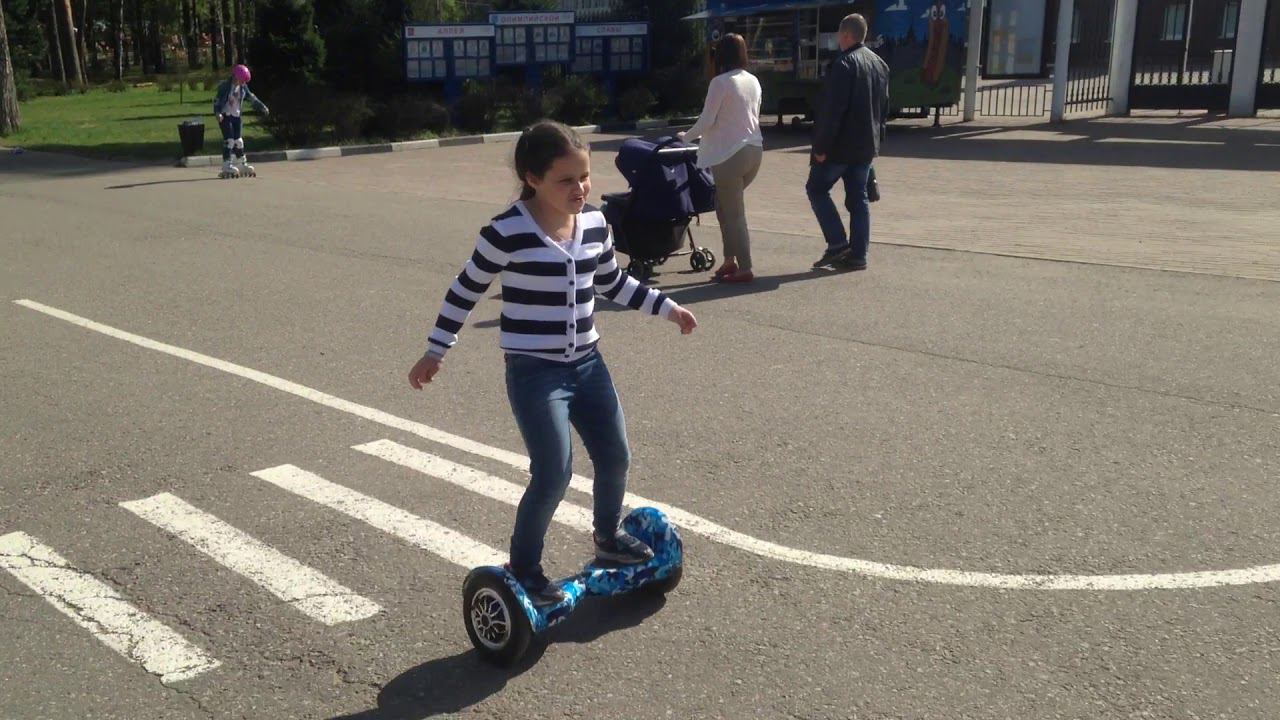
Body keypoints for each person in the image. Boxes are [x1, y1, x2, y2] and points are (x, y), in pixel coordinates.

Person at [407, 121, 699, 605]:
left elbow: (612, 281)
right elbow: (466, 289)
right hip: (535, 372)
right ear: (532, 178)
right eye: (566, 180)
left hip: (588, 363)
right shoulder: (507, 231)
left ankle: (607, 536)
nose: (580, 188)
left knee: (615, 455)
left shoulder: (595, 224)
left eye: (585, 176)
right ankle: (524, 568)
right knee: (553, 472)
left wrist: (667, 309)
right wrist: (437, 348)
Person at [806, 14, 889, 272]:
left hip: (839, 147)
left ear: (845, 35)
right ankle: (858, 254)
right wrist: (877, 142)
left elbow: (833, 111)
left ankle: (837, 243)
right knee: (858, 198)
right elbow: (883, 109)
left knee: (816, 189)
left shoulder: (843, 64)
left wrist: (821, 148)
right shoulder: (880, 65)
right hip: (866, 147)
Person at [678, 33, 764, 284]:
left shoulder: (720, 82)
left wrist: (686, 137)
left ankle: (744, 267)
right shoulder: (753, 81)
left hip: (729, 155)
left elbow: (707, 120)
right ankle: (729, 260)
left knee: (734, 212)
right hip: (754, 151)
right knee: (723, 206)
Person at [212, 64, 269, 178]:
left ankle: (242, 164)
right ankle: (226, 165)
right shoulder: (225, 86)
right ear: (236, 76)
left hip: (237, 116)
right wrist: (217, 112)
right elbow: (217, 101)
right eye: (242, 80)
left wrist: (262, 107)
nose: (243, 82)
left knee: (238, 141)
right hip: (225, 116)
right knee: (229, 140)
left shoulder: (243, 87)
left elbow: (252, 97)